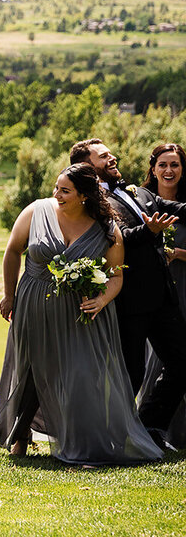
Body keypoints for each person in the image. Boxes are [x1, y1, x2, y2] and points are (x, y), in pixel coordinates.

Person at [0, 163, 162, 464]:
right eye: (56, 188)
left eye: (64, 190)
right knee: (30, 372)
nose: (56, 194)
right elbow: (13, 250)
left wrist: (102, 300)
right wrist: (9, 294)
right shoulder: (36, 211)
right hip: (34, 304)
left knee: (81, 373)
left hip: (80, 312)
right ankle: (19, 435)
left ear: (84, 195)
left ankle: (83, 439)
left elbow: (117, 275)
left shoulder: (107, 229)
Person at [72, 138, 186, 449]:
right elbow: (111, 241)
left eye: (110, 154)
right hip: (129, 300)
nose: (112, 158)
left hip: (161, 296)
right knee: (130, 374)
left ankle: (150, 427)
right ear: (87, 166)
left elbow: (171, 207)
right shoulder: (91, 203)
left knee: (182, 362)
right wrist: (148, 232)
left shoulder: (136, 191)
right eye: (103, 156)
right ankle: (109, 437)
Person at [137, 143, 186, 447]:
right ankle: (152, 428)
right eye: (163, 164)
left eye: (176, 165)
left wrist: (178, 253)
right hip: (153, 294)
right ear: (153, 168)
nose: (169, 171)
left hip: (185, 284)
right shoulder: (139, 202)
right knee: (159, 360)